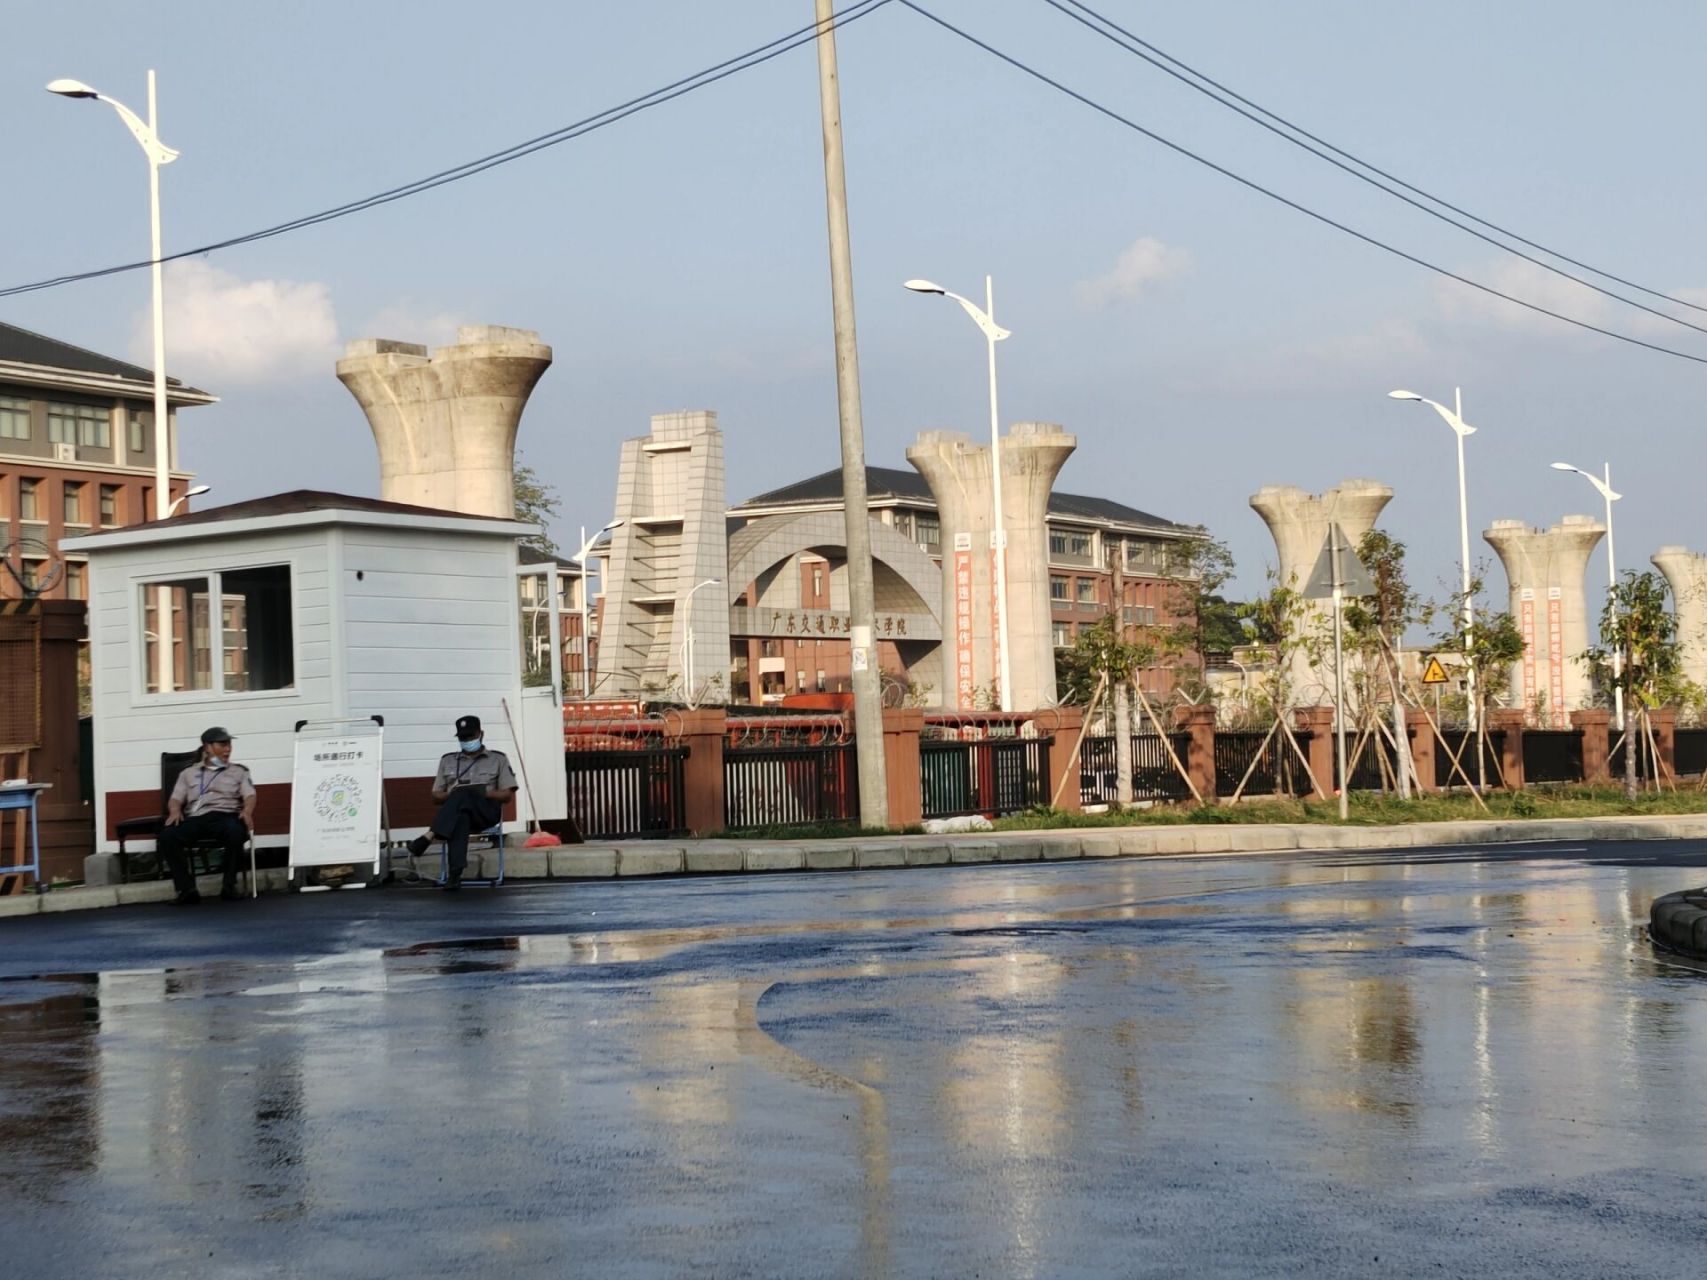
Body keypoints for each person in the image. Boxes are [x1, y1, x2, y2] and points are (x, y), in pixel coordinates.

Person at [407, 714, 516, 890]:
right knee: (460, 814)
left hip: (485, 812)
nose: (467, 741)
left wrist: (485, 793)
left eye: (470, 737)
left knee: (463, 794)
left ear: (481, 734)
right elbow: (435, 796)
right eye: (463, 738)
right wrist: (451, 794)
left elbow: (507, 795)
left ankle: (430, 835)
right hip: (459, 814)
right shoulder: (448, 760)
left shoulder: (498, 759)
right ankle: (454, 876)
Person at [161, 726, 256, 905]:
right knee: (168, 836)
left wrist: (247, 811)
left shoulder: (239, 771)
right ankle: (187, 889)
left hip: (225, 815)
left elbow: (250, 795)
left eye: (229, 744)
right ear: (208, 747)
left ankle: (229, 886)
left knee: (236, 832)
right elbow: (175, 798)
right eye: (222, 744)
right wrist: (175, 811)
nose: (228, 749)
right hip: (196, 817)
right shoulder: (188, 773)